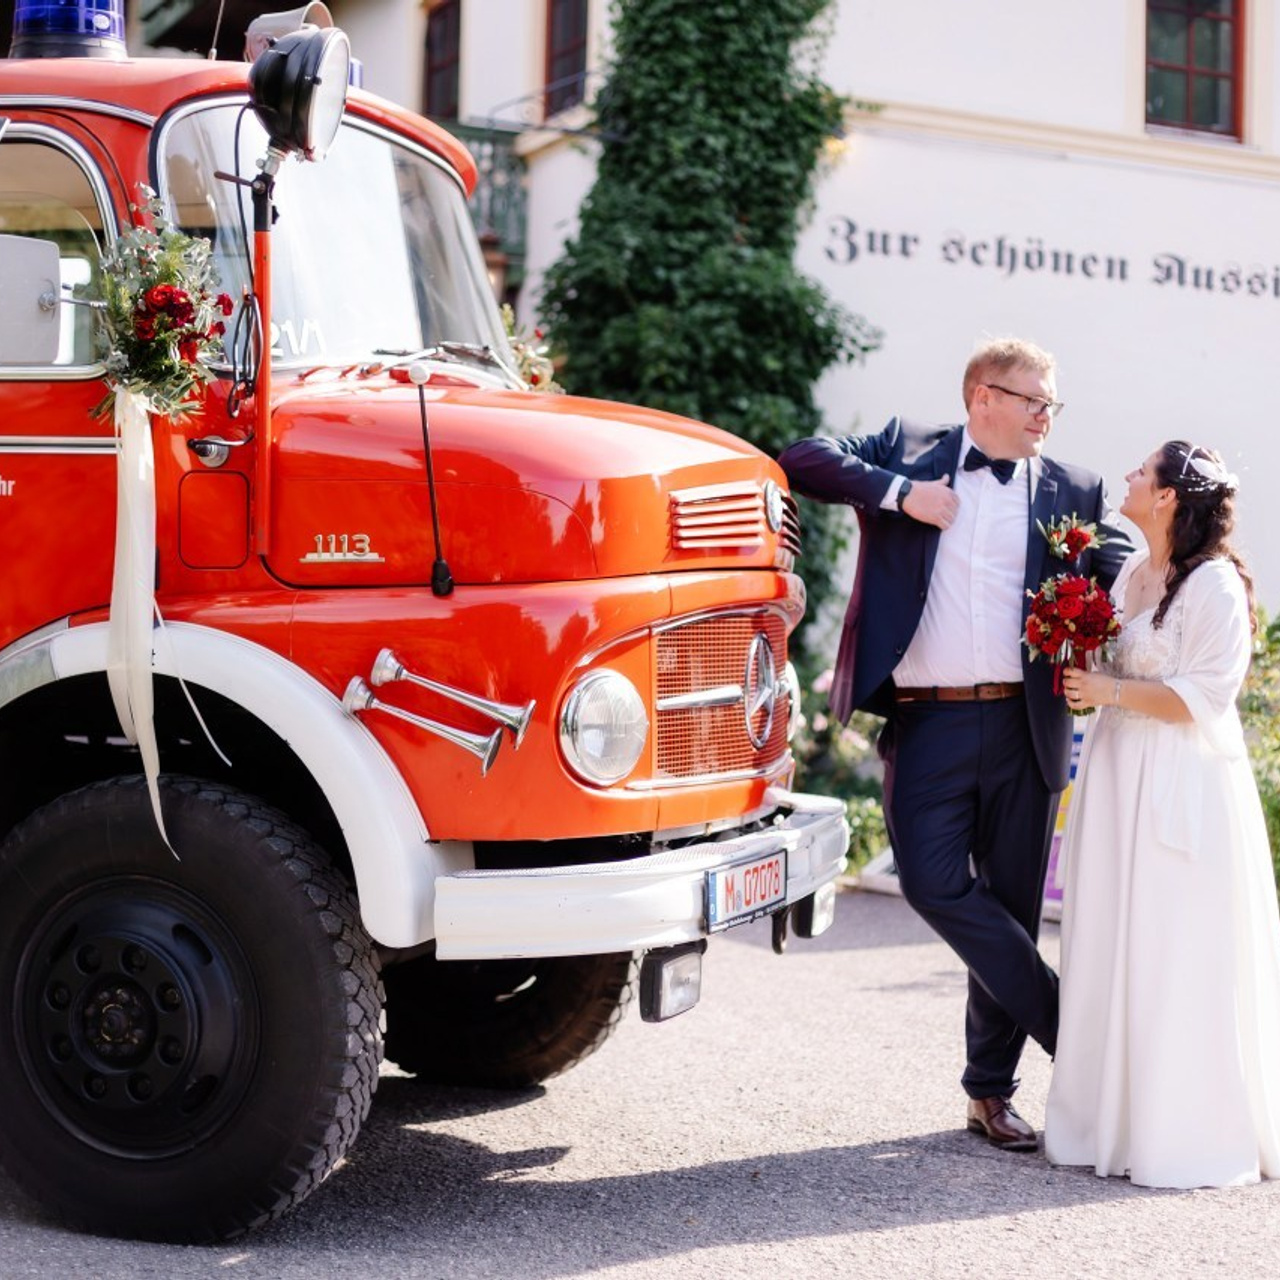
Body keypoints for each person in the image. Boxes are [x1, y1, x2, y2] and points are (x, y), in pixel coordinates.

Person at [779, 337, 1132, 1151]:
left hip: (1025, 723)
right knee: (934, 883)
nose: (1048, 416)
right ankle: (1074, 1035)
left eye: (1053, 404)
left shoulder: (1073, 487)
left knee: (1009, 908)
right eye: (1035, 400)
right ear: (984, 396)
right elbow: (802, 458)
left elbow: (1114, 564)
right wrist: (902, 496)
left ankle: (989, 1094)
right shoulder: (908, 447)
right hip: (928, 718)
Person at [1046, 441, 1280, 1187]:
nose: (1127, 478)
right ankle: (1107, 1118)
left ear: (1172, 496)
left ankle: (1178, 1127)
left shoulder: (1214, 586)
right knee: (1115, 933)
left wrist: (1106, 693)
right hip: (1117, 776)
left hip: (1180, 783)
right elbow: (1121, 663)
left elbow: (1206, 697)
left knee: (1171, 942)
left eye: (1141, 472)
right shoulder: (1132, 572)